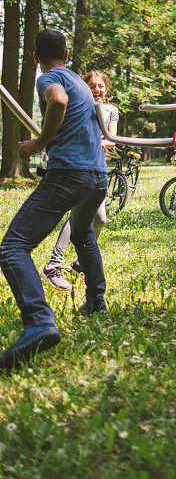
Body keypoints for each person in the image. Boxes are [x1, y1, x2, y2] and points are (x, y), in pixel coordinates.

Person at [0, 30, 109, 373]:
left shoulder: (51, 77)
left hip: (69, 174)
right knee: (82, 233)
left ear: (35, 57)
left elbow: (57, 100)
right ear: (65, 51)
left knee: (13, 247)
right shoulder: (79, 79)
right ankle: (96, 302)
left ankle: (39, 322)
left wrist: (39, 142)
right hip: (97, 177)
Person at [41, 71, 118, 291]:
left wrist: (102, 142)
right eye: (92, 85)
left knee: (100, 219)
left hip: (97, 169)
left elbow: (112, 138)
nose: (97, 89)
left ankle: (78, 262)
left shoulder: (111, 110)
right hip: (78, 166)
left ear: (107, 88)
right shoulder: (80, 106)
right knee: (77, 215)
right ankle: (55, 262)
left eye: (101, 86)